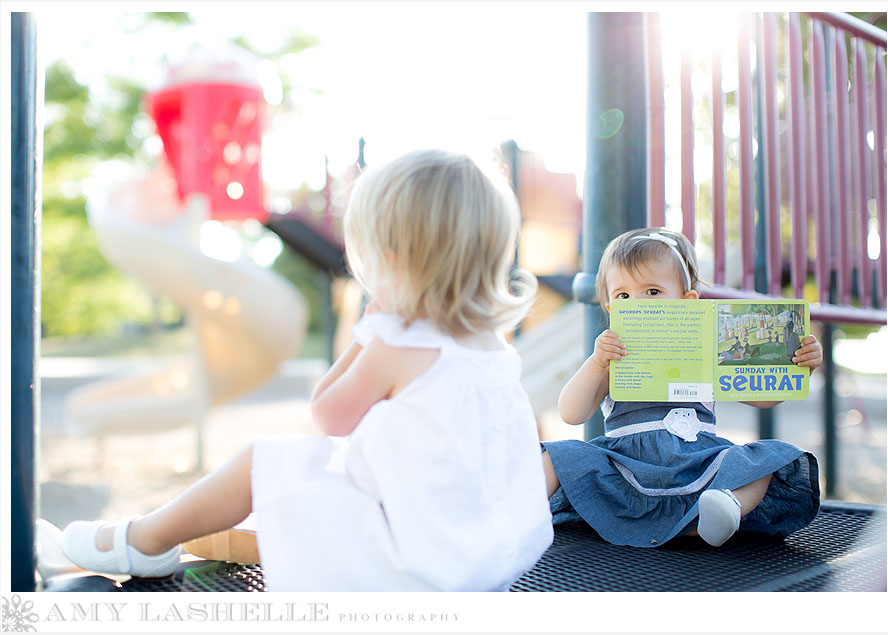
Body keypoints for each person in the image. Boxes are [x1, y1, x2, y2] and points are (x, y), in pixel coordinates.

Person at [60, 149, 554, 590]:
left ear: (394, 257)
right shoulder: (492, 347)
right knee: (316, 473)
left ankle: (143, 539)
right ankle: (147, 535)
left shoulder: (396, 347)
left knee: (260, 462)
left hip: (416, 568)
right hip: (488, 557)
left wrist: (366, 336)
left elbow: (326, 418)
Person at [541, 227, 823, 549]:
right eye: (623, 296)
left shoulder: (710, 351)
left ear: (688, 302)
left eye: (652, 292)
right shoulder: (614, 359)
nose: (638, 304)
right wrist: (596, 363)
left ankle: (725, 508)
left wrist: (801, 367)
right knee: (557, 455)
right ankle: (521, 512)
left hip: (698, 467)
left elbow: (763, 399)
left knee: (771, 457)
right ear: (609, 307)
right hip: (624, 470)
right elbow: (572, 413)